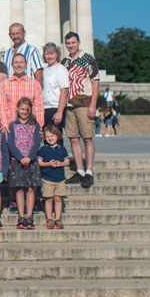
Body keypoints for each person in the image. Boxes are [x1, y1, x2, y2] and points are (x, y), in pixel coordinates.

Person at [0, 53, 44, 216]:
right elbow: (2, 106)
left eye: (21, 62)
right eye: (15, 62)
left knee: (31, 167)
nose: (18, 65)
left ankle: (32, 201)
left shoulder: (34, 84)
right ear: (12, 64)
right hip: (11, 130)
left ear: (26, 64)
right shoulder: (5, 84)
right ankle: (14, 200)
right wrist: (5, 127)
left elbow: (38, 106)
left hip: (30, 130)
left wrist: (39, 127)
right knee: (13, 167)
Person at [62, 32, 100, 189]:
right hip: (69, 105)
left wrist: (93, 105)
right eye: (68, 43)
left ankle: (89, 171)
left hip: (84, 103)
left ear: (78, 42)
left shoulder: (88, 58)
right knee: (73, 138)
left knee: (87, 138)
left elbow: (95, 82)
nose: (71, 46)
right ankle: (79, 170)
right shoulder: (64, 62)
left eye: (73, 43)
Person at [2, 97, 42, 230]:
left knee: (31, 189)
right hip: (17, 161)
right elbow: (11, 143)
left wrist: (29, 157)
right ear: (17, 109)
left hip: (31, 161)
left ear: (30, 110)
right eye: (22, 109)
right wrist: (20, 157)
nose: (24, 112)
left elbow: (36, 142)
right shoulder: (13, 125)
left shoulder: (35, 125)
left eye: (27, 109)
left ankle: (29, 216)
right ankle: (21, 215)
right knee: (19, 189)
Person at [37, 124, 70, 229]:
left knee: (58, 199)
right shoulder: (43, 150)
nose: (50, 138)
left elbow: (67, 161)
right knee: (49, 199)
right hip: (47, 179)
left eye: (52, 136)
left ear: (57, 136)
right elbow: (39, 162)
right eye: (47, 137)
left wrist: (60, 164)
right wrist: (48, 164)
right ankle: (49, 219)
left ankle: (58, 218)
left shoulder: (62, 149)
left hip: (60, 179)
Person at [42, 43, 70, 132]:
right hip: (45, 108)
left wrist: (59, 112)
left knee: (55, 137)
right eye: (47, 54)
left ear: (57, 54)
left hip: (55, 108)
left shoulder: (60, 69)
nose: (49, 56)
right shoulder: (44, 70)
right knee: (47, 137)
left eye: (52, 53)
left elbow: (64, 91)